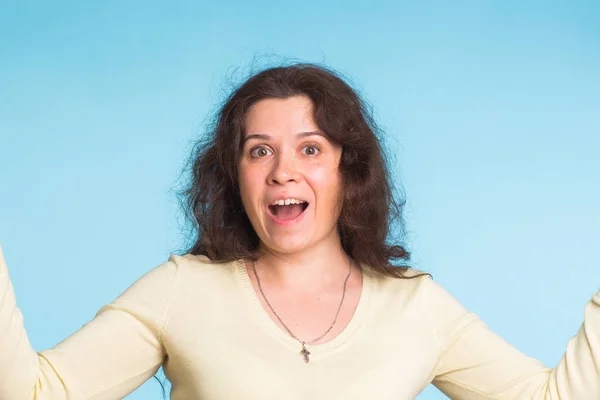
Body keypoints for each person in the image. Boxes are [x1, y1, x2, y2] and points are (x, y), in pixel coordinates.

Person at [0, 63, 598, 400]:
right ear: (234, 176)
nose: (283, 170)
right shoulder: (182, 289)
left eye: (310, 148)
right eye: (259, 151)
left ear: (349, 169)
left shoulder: (416, 305)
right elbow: (35, 393)